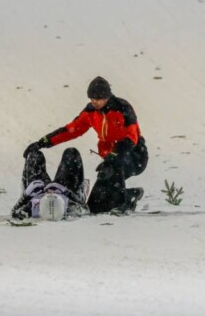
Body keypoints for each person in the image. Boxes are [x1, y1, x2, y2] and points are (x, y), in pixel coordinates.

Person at [23, 77, 148, 214]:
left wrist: (112, 157)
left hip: (134, 154)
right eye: (92, 99)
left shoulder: (122, 108)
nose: (95, 102)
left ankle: (124, 204)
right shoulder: (90, 112)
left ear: (107, 96)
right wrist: (42, 142)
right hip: (110, 157)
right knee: (95, 206)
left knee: (113, 170)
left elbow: (131, 138)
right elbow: (70, 130)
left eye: (99, 99)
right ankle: (130, 195)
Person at [11, 147, 90, 220]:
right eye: (53, 196)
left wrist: (26, 195)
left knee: (34, 155)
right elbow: (85, 209)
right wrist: (66, 191)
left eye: (46, 196)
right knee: (71, 153)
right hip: (65, 191)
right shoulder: (69, 207)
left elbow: (14, 212)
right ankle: (80, 192)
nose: (50, 193)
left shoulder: (33, 207)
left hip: (37, 192)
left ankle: (27, 186)